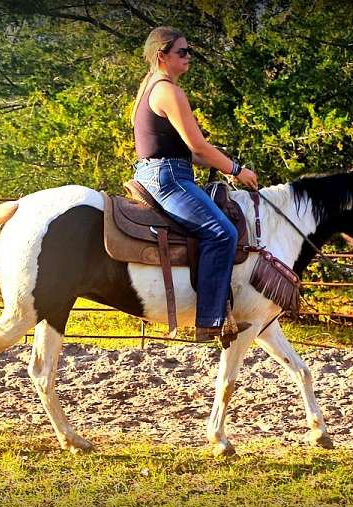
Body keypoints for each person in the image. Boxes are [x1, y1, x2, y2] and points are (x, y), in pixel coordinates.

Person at [131, 26, 258, 342]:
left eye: (189, 52)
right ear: (162, 56)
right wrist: (237, 169)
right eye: (182, 52)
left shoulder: (151, 88)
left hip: (163, 171)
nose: (189, 57)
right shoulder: (168, 91)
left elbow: (187, 151)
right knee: (222, 232)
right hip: (169, 179)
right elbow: (199, 147)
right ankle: (211, 321)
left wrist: (224, 167)